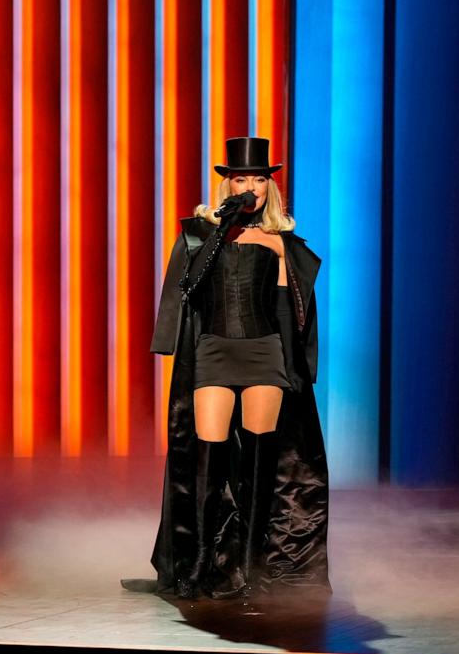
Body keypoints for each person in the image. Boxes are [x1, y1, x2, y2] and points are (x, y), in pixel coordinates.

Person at [125, 137, 329, 600]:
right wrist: (222, 226)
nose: (252, 186)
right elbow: (189, 288)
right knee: (205, 463)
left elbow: (284, 310)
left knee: (259, 468)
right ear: (228, 184)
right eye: (242, 178)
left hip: (264, 355)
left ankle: (255, 570)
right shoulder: (200, 234)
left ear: (269, 187)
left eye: (260, 179)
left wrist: (293, 367)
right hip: (214, 353)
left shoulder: (279, 243)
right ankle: (198, 564)